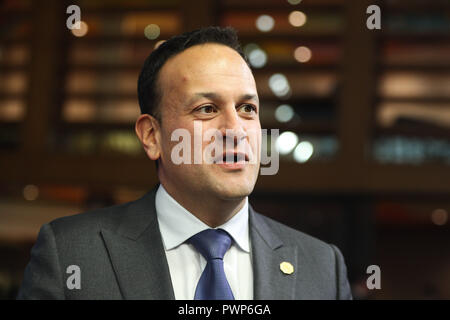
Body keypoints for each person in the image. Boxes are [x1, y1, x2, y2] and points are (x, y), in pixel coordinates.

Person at [17, 26, 352, 300]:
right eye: (207, 109)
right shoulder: (71, 255)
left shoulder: (321, 266)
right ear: (152, 135)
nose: (236, 130)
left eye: (248, 109)